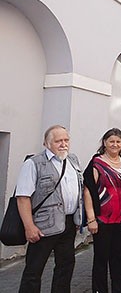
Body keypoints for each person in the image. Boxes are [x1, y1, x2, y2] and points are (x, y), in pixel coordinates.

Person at [15, 125, 83, 293]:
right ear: (46, 143)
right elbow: (23, 197)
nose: (63, 144)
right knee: (34, 269)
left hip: (68, 223)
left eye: (66, 140)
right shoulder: (34, 163)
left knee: (65, 266)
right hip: (43, 225)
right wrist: (29, 227)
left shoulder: (72, 160)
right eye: (58, 141)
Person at [83, 128, 121, 293]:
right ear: (104, 143)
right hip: (102, 220)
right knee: (101, 260)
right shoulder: (96, 163)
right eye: (111, 141)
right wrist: (91, 219)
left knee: (119, 259)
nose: (115, 145)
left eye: (118, 142)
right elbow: (88, 191)